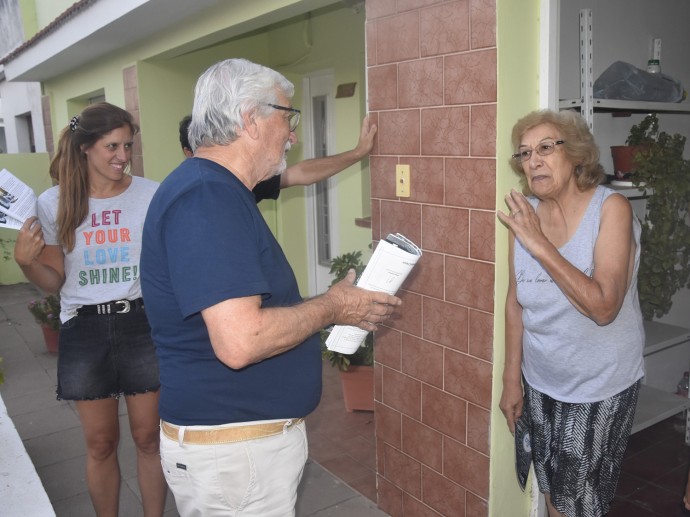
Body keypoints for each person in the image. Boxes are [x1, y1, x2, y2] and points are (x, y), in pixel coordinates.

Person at [140, 58, 401, 517]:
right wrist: (333, 307)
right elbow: (241, 341)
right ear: (249, 120)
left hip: (238, 449)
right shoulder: (207, 198)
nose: (293, 134)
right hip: (234, 453)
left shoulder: (217, 189)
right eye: (287, 116)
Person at [14, 102, 167, 517]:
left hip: (141, 323)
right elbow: (54, 280)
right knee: (100, 443)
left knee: (148, 437)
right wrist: (28, 263)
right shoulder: (54, 203)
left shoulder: (151, 195)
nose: (122, 156)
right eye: (111, 146)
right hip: (84, 330)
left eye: (127, 146)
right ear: (84, 146)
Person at [497, 109, 645, 517]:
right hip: (542, 381)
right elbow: (515, 299)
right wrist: (512, 377)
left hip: (599, 385)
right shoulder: (527, 215)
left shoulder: (611, 209)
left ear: (576, 153)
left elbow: (603, 307)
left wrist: (540, 244)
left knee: (578, 505)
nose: (533, 161)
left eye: (546, 148)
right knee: (551, 493)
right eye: (525, 153)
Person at [178, 112, 377, 203]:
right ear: (189, 153)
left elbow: (300, 173)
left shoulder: (246, 176)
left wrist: (357, 153)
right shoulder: (189, 198)